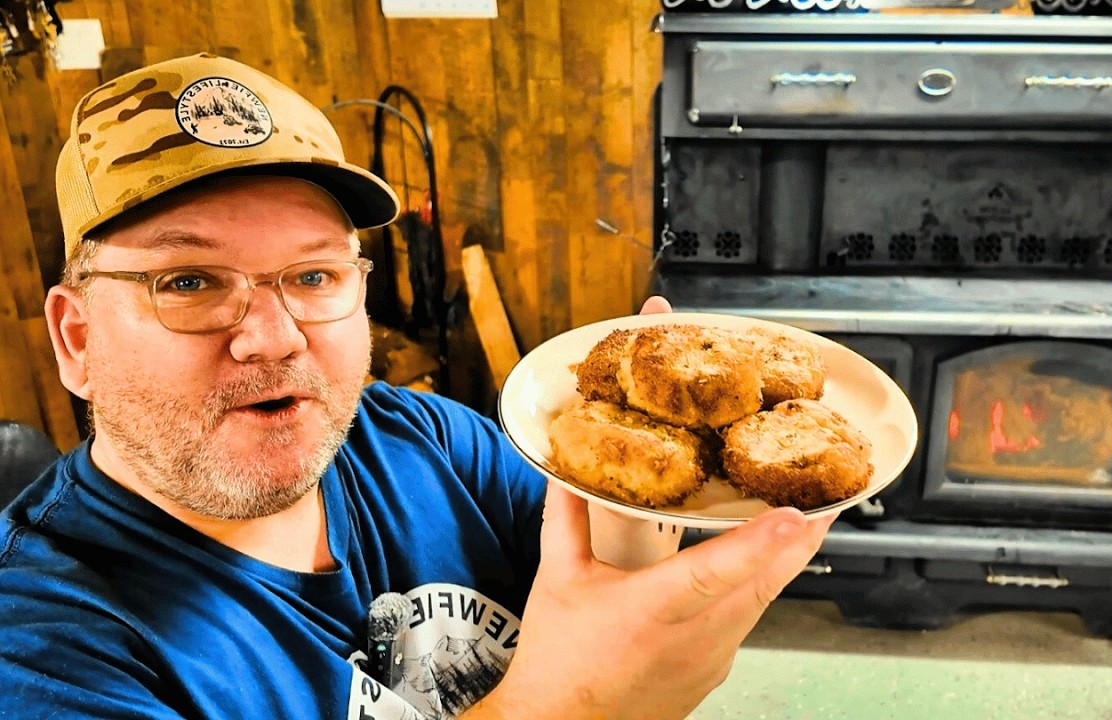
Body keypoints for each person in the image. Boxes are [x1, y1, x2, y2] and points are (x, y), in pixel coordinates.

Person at [0, 54, 834, 719]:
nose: (275, 336)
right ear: (77, 338)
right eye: (188, 282)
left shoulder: (430, 441)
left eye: (315, 275)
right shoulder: (39, 651)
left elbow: (618, 589)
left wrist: (684, 500)